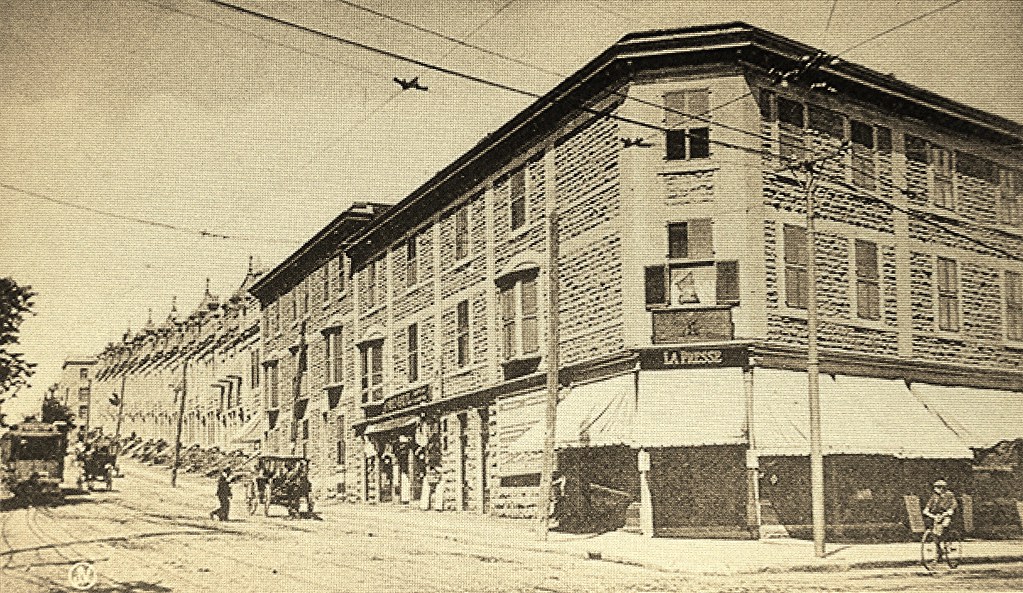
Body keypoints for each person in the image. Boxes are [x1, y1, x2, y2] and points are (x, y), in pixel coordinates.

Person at [923, 479, 957, 554]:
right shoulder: (934, 497)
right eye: (937, 487)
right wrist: (928, 513)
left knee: (945, 525)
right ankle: (938, 548)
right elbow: (927, 507)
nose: (939, 489)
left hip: (945, 515)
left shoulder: (949, 495)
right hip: (936, 516)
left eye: (942, 487)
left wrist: (949, 511)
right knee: (933, 531)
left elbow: (954, 504)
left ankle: (947, 543)